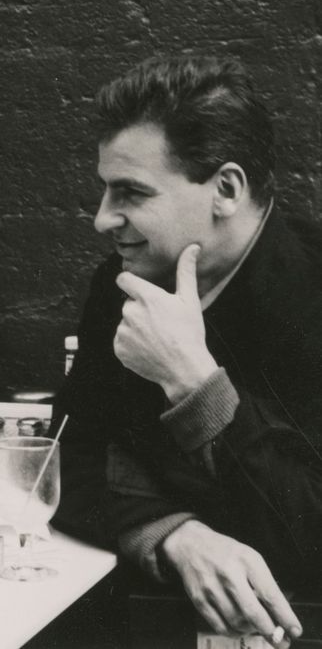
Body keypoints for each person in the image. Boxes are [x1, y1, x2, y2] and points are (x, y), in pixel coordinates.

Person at [53, 55, 322, 645]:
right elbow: (65, 459)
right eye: (105, 190)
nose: (102, 219)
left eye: (130, 193)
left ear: (225, 189)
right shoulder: (121, 287)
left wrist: (195, 383)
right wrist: (174, 532)